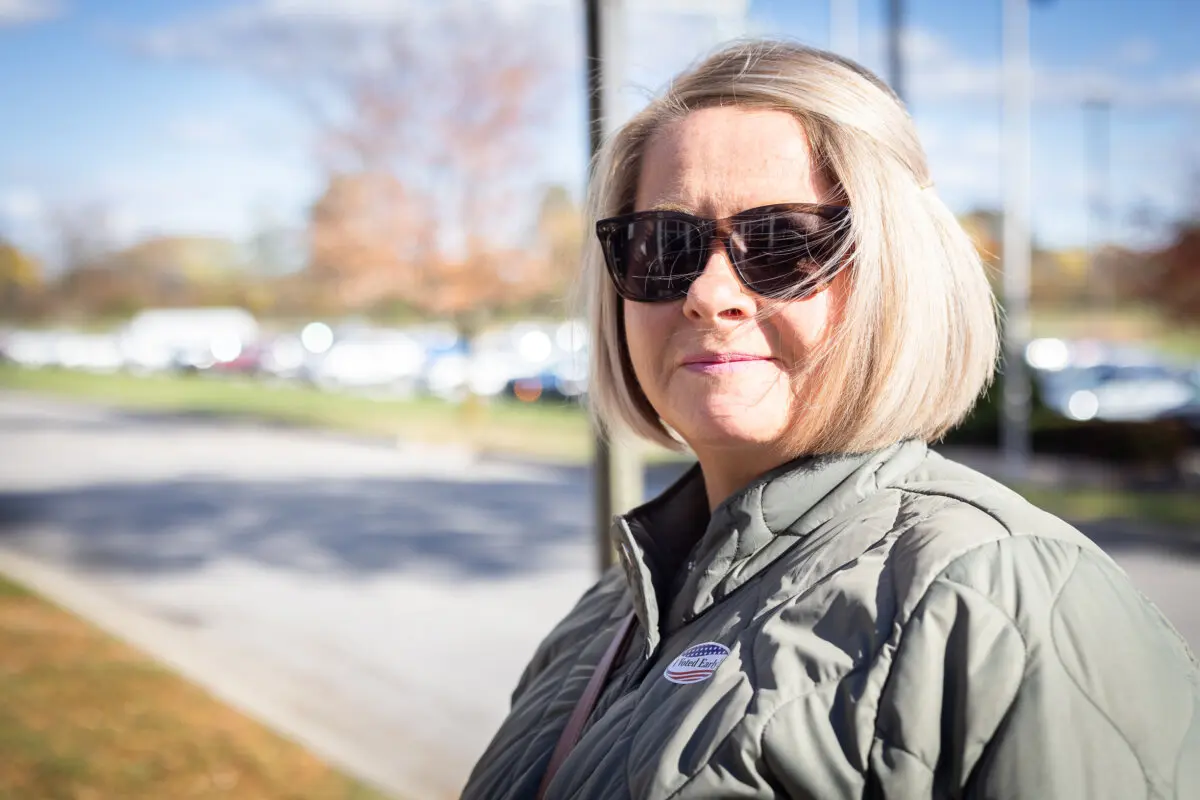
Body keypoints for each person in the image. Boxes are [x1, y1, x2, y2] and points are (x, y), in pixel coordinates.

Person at [462, 40, 1200, 800]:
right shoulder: (609, 615)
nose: (709, 294)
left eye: (783, 242)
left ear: (895, 272)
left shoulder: (1001, 597)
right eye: (665, 244)